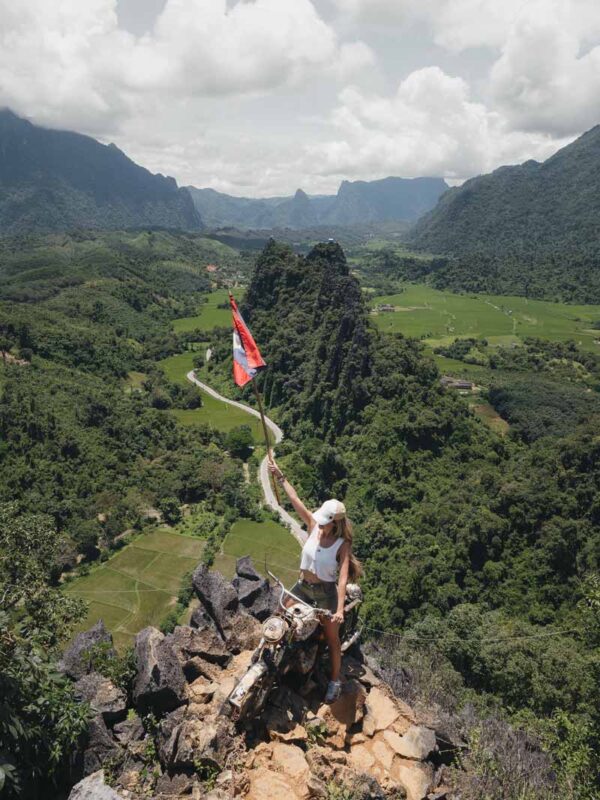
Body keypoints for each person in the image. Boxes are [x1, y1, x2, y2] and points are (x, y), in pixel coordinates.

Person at [268, 460, 363, 703]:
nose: (320, 522)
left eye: (326, 520)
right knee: (279, 616)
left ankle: (334, 682)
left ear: (336, 523)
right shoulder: (313, 526)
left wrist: (339, 610)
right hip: (303, 587)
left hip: (325, 594)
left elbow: (341, 581)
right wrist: (280, 476)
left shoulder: (343, 545)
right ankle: (268, 659)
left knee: (333, 639)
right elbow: (295, 500)